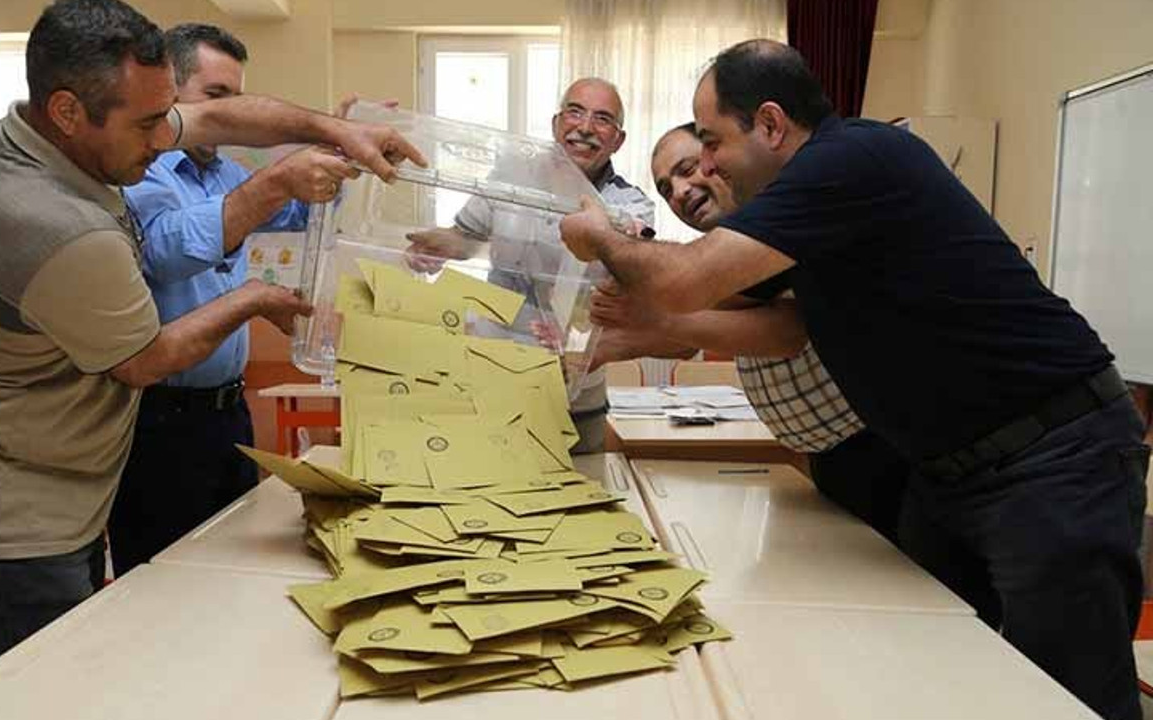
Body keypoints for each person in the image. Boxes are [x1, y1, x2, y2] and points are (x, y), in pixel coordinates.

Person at [559, 38, 1146, 720]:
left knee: (1067, 692)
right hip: (948, 471)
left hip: (1050, 457)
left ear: (772, 125)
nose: (709, 165)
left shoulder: (848, 162)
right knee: (930, 659)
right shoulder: (803, 202)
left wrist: (603, 236)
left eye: (714, 143)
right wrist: (631, 314)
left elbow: (691, 282)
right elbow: (745, 310)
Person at [0, 0, 424, 673]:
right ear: (65, 111)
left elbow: (219, 117)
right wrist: (254, 297)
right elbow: (147, 359)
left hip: (48, 498)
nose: (163, 138)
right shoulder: (51, 223)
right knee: (50, 694)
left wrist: (333, 130)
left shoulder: (49, 133)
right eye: (148, 125)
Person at [593, 122, 910, 543]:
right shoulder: (726, 252)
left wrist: (650, 315)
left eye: (688, 170)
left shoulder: (777, 227)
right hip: (827, 455)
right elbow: (697, 333)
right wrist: (605, 347)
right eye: (667, 188)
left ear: (716, 160)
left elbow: (787, 332)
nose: (681, 192)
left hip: (879, 447)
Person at [107, 23, 326, 576]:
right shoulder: (140, 171)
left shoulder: (228, 172)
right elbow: (166, 252)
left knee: (231, 568)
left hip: (228, 414)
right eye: (216, 98)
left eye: (238, 99)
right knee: (162, 582)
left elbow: (293, 223)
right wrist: (274, 185)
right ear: (169, 95)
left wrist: (325, 165)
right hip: (159, 422)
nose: (231, 115)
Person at [411, 78, 657, 453]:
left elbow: (637, 271)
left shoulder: (631, 204)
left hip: (573, 389)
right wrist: (437, 246)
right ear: (557, 123)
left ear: (618, 140)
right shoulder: (509, 178)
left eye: (602, 119)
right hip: (490, 372)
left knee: (580, 490)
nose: (586, 127)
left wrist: (625, 240)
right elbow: (465, 238)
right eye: (575, 112)